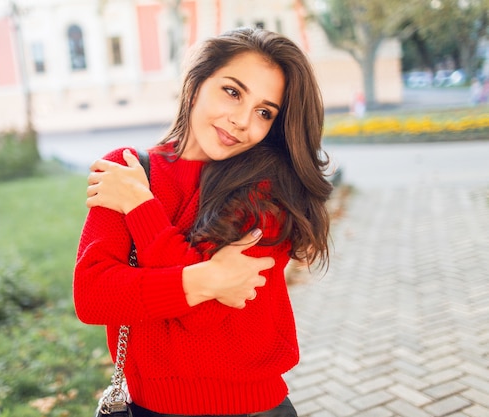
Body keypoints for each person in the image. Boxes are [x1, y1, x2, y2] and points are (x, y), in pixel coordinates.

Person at [74, 27, 332, 417]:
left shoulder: (269, 190)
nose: (242, 120)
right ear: (196, 84)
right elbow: (93, 296)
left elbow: (207, 317)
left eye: (265, 112)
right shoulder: (127, 168)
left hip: (254, 409)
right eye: (232, 91)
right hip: (148, 409)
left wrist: (141, 207)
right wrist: (206, 279)